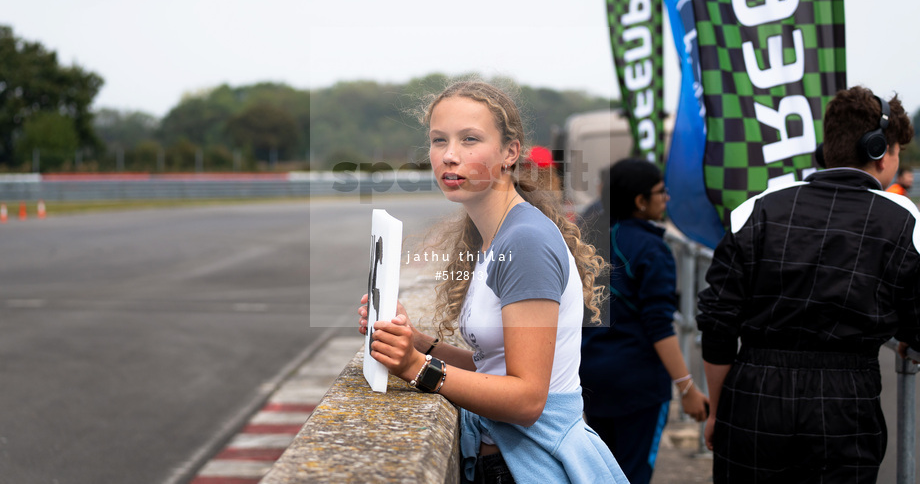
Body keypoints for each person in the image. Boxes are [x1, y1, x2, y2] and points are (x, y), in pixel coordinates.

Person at [358, 79, 628, 484]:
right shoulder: (497, 234)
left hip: (527, 467)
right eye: (438, 140)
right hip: (505, 460)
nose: (449, 156)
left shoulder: (525, 241)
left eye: (470, 140)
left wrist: (417, 367)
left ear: (510, 152)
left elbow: (527, 399)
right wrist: (416, 342)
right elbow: (496, 367)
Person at [697, 86, 920, 483]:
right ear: (878, 150)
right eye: (897, 150)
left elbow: (717, 321)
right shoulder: (903, 219)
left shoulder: (757, 208)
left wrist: (718, 410)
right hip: (846, 402)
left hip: (754, 396)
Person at [580, 158, 709, 484]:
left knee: (603, 474)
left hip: (593, 381)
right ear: (640, 201)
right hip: (639, 388)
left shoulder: (592, 243)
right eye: (660, 192)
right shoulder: (653, 249)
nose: (666, 198)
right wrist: (688, 388)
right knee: (632, 475)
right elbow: (659, 327)